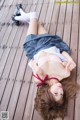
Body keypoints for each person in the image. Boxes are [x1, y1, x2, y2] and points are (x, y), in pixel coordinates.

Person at [12, 4, 79, 119]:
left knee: (33, 16)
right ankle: (18, 16)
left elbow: (32, 60)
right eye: (62, 94)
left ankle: (18, 16)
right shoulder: (65, 73)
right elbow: (61, 52)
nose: (60, 90)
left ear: (47, 92)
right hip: (49, 43)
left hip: (33, 46)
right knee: (38, 23)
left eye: (56, 93)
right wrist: (69, 60)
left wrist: (35, 68)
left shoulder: (39, 79)